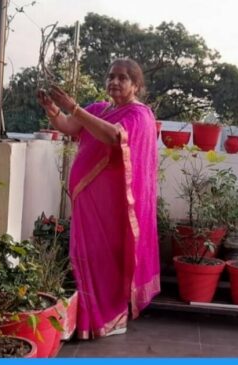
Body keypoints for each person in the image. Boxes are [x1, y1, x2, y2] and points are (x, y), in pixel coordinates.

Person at [36, 58, 160, 339]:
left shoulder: (139, 115)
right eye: (110, 76)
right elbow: (70, 126)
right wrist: (52, 109)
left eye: (122, 78)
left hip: (113, 207)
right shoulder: (100, 109)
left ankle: (110, 319)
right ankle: (88, 319)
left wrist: (74, 108)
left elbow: (115, 138)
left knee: (105, 260)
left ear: (136, 85)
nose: (114, 82)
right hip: (87, 203)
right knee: (85, 256)